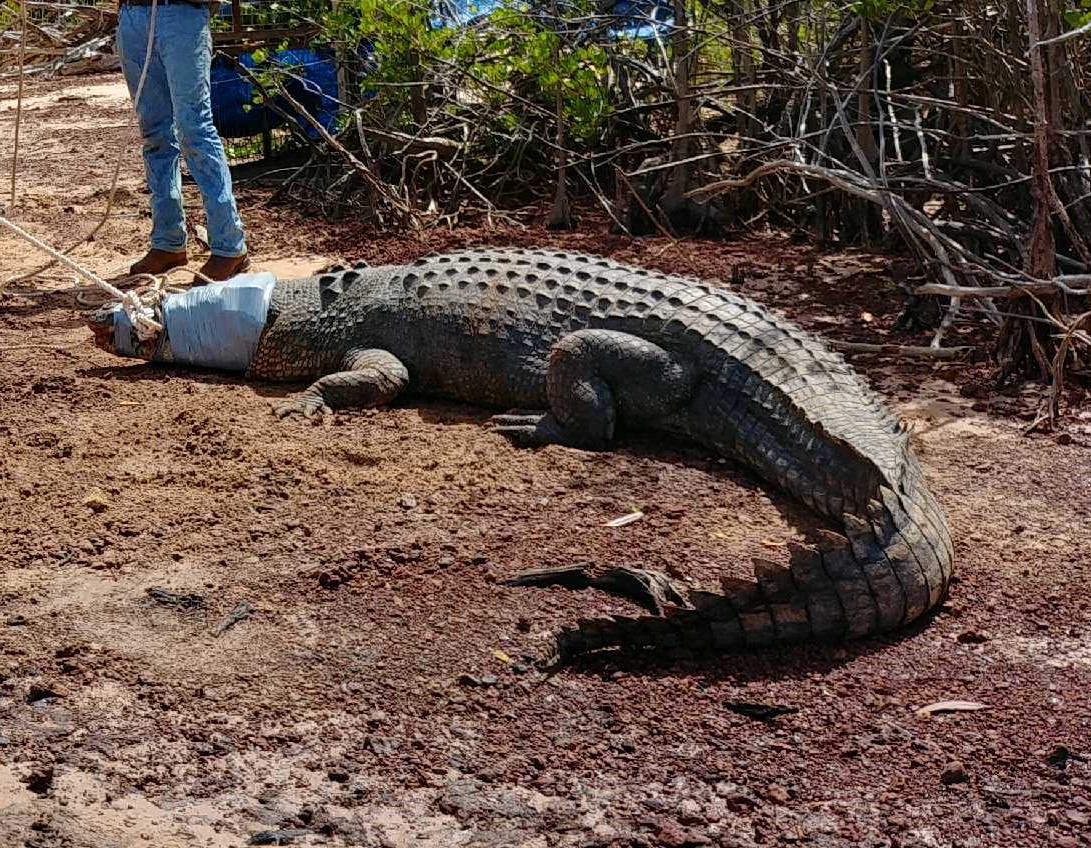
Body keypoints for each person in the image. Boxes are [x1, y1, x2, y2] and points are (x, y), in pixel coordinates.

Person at [116, 0, 249, 282]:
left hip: (183, 12)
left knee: (195, 130)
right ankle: (167, 242)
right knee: (154, 134)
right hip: (133, 15)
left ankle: (229, 246)